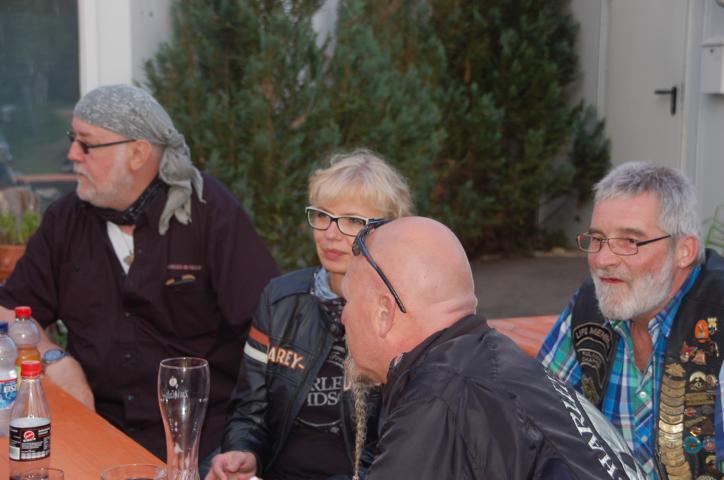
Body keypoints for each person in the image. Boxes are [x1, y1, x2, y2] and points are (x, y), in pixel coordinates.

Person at [0, 84, 279, 466]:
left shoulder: (208, 213)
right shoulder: (65, 221)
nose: (72, 155)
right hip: (95, 431)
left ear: (137, 153)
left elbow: (269, 331)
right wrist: (55, 357)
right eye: (72, 140)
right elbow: (9, 310)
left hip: (201, 444)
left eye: (86, 144)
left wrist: (248, 440)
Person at [340, 216, 646, 479]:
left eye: (349, 300)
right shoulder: (493, 362)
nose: (343, 316)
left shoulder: (440, 400)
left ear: (384, 313)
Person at [207, 150, 412, 480]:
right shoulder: (280, 300)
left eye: (352, 220)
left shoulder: (406, 314)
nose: (330, 233)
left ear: (388, 229)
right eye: (322, 215)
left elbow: (408, 447)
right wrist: (243, 453)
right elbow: (249, 410)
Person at [538, 162, 724, 479]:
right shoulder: (589, 308)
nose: (602, 260)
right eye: (597, 238)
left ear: (684, 250)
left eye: (630, 241)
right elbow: (538, 412)